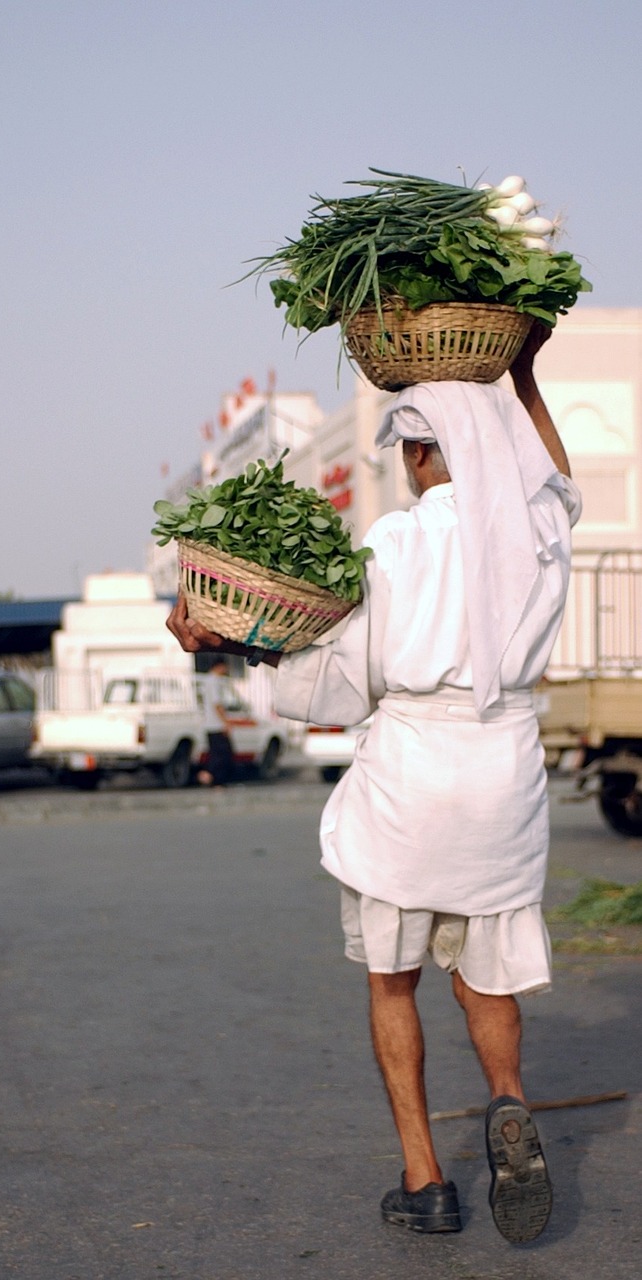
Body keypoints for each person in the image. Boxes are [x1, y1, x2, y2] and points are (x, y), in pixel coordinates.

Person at [166, 323, 581, 1244]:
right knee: (486, 974)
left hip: (410, 780)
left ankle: (426, 1177)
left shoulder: (393, 544)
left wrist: (223, 635)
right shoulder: (539, 528)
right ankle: (508, 1100)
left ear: (423, 451)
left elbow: (333, 675)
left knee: (393, 982)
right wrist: (523, 369)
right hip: (504, 776)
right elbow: (553, 471)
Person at [196, 657, 234, 788]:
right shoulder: (214, 682)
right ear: (220, 666)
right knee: (224, 754)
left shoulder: (206, 681)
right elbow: (217, 704)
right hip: (216, 724)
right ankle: (212, 778)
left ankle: (212, 778)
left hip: (209, 724)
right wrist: (226, 722)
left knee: (216, 754)